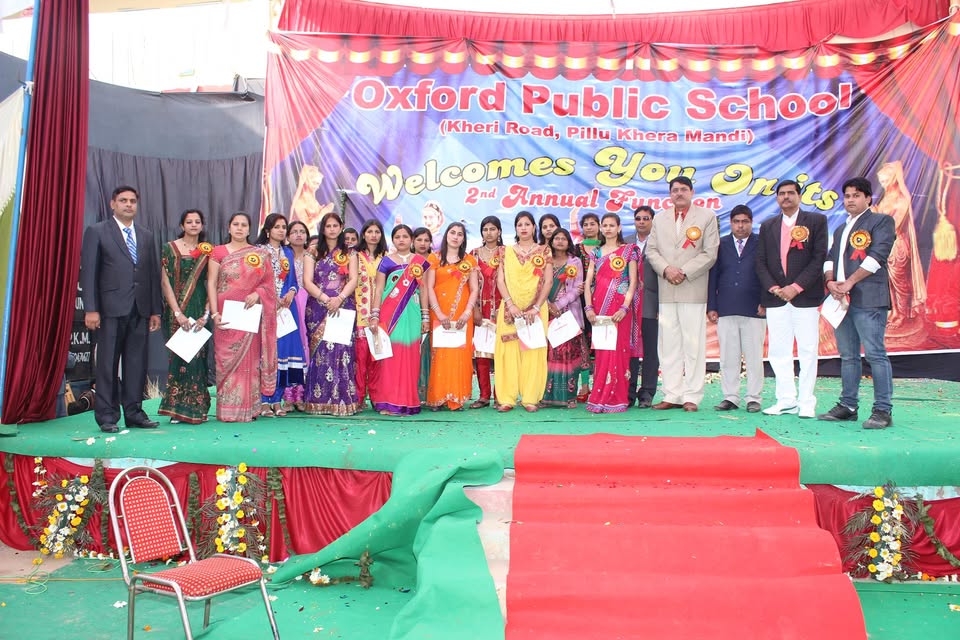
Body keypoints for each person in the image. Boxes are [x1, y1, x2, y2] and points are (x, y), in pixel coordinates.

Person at [80, 186, 163, 434]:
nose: (128, 205)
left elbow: (152, 274)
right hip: (109, 310)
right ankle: (107, 416)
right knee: (107, 364)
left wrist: (155, 310)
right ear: (112, 204)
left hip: (140, 308)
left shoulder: (146, 235)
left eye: (133, 201)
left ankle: (134, 413)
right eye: (123, 200)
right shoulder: (97, 231)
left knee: (137, 364)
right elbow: (90, 273)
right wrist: (91, 309)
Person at [819, 177, 896, 429]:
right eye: (847, 196)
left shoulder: (881, 221)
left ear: (868, 198)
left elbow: (877, 257)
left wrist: (849, 282)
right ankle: (848, 406)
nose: (850, 200)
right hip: (842, 300)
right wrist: (831, 282)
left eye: (856, 195)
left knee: (875, 354)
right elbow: (830, 259)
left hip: (868, 299)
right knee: (848, 356)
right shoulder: (841, 229)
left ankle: (883, 410)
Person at [645, 176, 720, 412]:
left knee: (693, 346)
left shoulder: (706, 216)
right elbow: (651, 251)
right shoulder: (660, 218)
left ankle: (692, 396)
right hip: (667, 289)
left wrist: (684, 271)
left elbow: (710, 253)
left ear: (692, 192)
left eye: (683, 189)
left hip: (693, 288)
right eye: (675, 190)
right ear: (670, 194)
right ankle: (672, 394)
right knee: (668, 346)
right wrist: (667, 269)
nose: (679, 193)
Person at [756, 180, 829, 418]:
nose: (786, 197)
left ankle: (806, 402)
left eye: (790, 193)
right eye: (781, 194)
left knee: (807, 350)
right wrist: (774, 287)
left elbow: (818, 258)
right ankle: (786, 400)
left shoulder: (816, 221)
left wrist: (796, 287)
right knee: (778, 351)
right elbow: (761, 261)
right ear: (777, 198)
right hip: (776, 298)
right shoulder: (768, 225)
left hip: (804, 297)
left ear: (799, 196)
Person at [208, 212, 278, 422]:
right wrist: (214, 313)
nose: (239, 228)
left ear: (249, 229)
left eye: (244, 225)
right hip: (226, 315)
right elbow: (211, 283)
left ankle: (249, 409)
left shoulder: (260, 255)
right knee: (225, 361)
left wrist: (258, 294)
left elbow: (269, 285)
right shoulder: (218, 252)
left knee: (249, 362)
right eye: (235, 224)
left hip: (249, 316)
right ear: (229, 227)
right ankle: (227, 410)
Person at [707, 205, 765, 413]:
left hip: (754, 308)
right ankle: (730, 397)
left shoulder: (761, 243)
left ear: (751, 222)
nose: (740, 226)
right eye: (736, 222)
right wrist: (712, 306)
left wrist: (765, 301)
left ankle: (753, 398)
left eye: (745, 222)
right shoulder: (721, 244)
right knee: (728, 357)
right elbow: (713, 276)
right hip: (726, 307)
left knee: (754, 357)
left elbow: (767, 273)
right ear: (731, 223)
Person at [302, 212, 360, 415]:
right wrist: (327, 300)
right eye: (328, 226)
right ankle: (318, 401)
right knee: (321, 353)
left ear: (341, 227)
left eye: (336, 225)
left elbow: (354, 279)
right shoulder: (312, 252)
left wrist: (339, 298)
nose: (332, 229)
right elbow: (307, 281)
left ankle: (342, 401)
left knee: (342, 352)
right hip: (318, 308)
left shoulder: (350, 252)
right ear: (323, 228)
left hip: (343, 306)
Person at [494, 211, 552, 412]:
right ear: (516, 229)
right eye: (520, 225)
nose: (524, 228)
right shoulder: (505, 251)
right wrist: (510, 304)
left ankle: (530, 398)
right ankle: (507, 398)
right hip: (510, 308)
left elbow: (548, 281)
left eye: (527, 224)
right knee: (507, 352)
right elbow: (500, 280)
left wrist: (535, 307)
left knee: (533, 351)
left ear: (534, 227)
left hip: (536, 309)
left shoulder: (544, 250)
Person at [158, 209, 212, 424]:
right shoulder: (169, 248)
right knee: (179, 358)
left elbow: (213, 284)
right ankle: (176, 409)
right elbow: (165, 283)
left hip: (199, 311)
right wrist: (177, 313)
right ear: (182, 225)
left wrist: (206, 314)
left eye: (197, 221)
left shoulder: (208, 251)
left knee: (198, 360)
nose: (193, 225)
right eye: (189, 222)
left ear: (202, 225)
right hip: (176, 312)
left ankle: (197, 408)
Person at [370, 225, 431, 416]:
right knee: (390, 358)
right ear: (393, 239)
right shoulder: (386, 261)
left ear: (411, 239)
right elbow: (379, 290)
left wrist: (425, 316)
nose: (401, 240)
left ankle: (407, 402)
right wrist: (375, 315)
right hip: (390, 315)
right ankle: (388, 402)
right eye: (397, 237)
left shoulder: (420, 262)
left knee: (411, 358)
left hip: (412, 314)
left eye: (405, 236)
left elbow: (424, 290)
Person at [584, 214, 639, 413]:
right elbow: (589, 282)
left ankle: (617, 398)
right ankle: (599, 397)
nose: (608, 229)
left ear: (619, 228)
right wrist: (589, 308)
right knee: (602, 352)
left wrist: (625, 307)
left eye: (611, 225)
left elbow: (633, 282)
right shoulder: (596, 252)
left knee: (619, 352)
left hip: (620, 310)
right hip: (600, 308)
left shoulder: (629, 251)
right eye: (605, 225)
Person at [256, 214, 306, 417]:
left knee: (284, 351)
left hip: (286, 308)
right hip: (267, 306)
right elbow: (255, 280)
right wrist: (272, 297)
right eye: (277, 227)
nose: (281, 230)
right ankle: (264, 401)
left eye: (283, 227)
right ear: (268, 230)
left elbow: (293, 280)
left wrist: (292, 292)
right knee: (268, 352)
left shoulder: (287, 252)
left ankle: (277, 400)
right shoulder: (258, 251)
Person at [426, 222, 479, 410]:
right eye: (452, 233)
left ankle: (456, 398)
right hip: (439, 313)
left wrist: (467, 311)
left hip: (462, 314)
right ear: (446, 235)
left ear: (464, 239)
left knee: (459, 353)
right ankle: (438, 397)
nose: (456, 237)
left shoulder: (469, 261)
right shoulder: (434, 258)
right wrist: (438, 313)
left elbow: (474, 289)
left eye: (460, 234)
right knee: (440, 353)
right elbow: (429, 287)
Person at [876, 161, 928, 346]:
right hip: (884, 245)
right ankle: (895, 312)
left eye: (886, 180)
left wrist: (876, 219)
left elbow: (894, 224)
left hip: (897, 245)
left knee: (900, 283)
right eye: (881, 181)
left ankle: (904, 315)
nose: (883, 184)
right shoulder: (886, 197)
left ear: (893, 179)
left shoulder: (901, 199)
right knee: (889, 282)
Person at [543, 228, 588, 408]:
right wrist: (548, 305)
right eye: (557, 238)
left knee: (569, 355)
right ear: (551, 241)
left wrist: (558, 305)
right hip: (547, 313)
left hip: (569, 314)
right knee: (549, 355)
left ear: (569, 242)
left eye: (564, 238)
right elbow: (539, 285)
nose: (560, 241)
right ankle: (547, 396)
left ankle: (569, 396)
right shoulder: (544, 260)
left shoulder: (574, 262)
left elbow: (577, 288)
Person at [469, 216, 503, 409]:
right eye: (485, 229)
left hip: (502, 309)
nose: (489, 233)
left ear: (499, 232)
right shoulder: (473, 255)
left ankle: (500, 395)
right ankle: (483, 396)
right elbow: (468, 285)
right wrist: (474, 309)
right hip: (480, 310)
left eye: (493, 229)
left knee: (501, 354)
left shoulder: (506, 253)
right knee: (481, 354)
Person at [354, 219, 387, 410]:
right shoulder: (355, 256)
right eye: (370, 232)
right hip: (360, 314)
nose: (373, 235)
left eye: (377, 232)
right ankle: (359, 398)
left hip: (382, 315)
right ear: (363, 234)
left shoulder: (387, 257)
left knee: (378, 358)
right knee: (360, 360)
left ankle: (376, 397)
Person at [629, 205, 658, 408]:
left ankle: (647, 392)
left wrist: (660, 306)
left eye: (646, 218)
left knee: (650, 351)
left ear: (652, 221)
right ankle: (628, 391)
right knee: (629, 350)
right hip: (627, 305)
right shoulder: (625, 242)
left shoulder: (660, 242)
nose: (641, 222)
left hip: (650, 303)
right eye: (638, 218)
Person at [282, 220, 310, 412]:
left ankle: (300, 394)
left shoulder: (312, 255)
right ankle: (286, 396)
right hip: (287, 303)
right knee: (288, 347)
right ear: (288, 235)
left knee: (304, 347)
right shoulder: (282, 254)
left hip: (308, 303)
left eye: (302, 231)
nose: (299, 235)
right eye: (294, 232)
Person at [574, 212, 601, 401]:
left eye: (593, 223)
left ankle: (600, 386)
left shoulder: (607, 247)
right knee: (582, 344)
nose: (589, 227)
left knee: (601, 344)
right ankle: (584, 387)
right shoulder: (576, 249)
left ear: (599, 226)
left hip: (603, 300)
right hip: (581, 302)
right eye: (586, 224)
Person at [413, 227, 434, 401]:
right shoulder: (407, 260)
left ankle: (429, 391)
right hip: (411, 310)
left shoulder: (436, 260)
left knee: (430, 350)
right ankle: (412, 391)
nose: (422, 243)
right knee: (414, 350)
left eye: (426, 240)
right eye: (419, 240)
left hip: (434, 310)